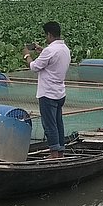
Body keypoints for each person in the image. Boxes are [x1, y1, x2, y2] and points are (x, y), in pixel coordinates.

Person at [23, 21, 71, 158]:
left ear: (49, 34)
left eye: (46, 35)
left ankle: (54, 154)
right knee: (58, 123)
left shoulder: (50, 51)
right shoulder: (65, 49)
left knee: (49, 125)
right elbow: (52, 58)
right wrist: (41, 50)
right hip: (60, 93)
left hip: (48, 93)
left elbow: (34, 67)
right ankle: (60, 151)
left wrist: (27, 55)